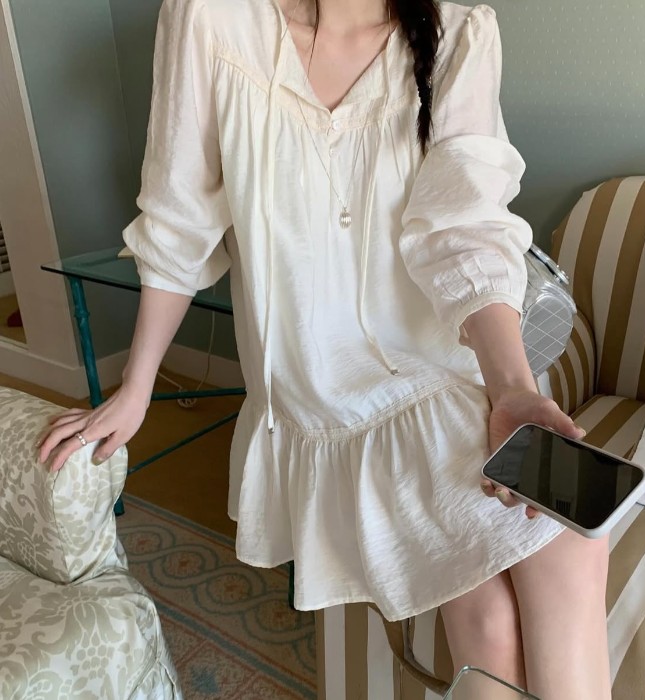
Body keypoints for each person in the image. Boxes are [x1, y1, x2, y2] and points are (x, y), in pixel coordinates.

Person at [38, 0, 611, 696]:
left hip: (438, 370)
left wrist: (513, 388)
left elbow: (467, 232)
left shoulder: (460, 34)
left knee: (569, 549)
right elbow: (178, 220)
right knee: (487, 619)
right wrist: (137, 385)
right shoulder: (213, 20)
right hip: (320, 387)